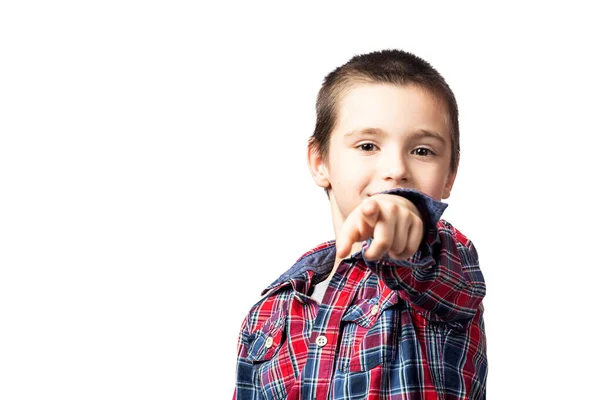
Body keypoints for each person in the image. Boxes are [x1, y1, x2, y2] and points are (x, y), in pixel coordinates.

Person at [232, 49, 487, 400]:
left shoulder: (446, 264)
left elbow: (433, 268)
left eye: (423, 151)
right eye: (368, 145)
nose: (396, 169)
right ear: (320, 162)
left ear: (449, 176)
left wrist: (405, 219)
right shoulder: (269, 312)